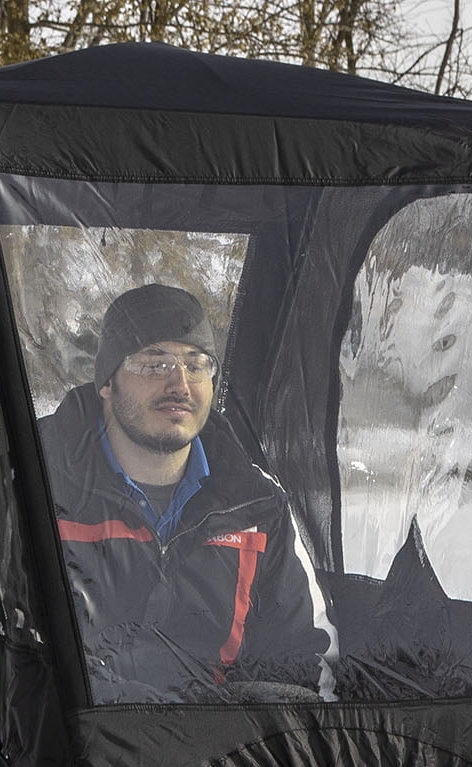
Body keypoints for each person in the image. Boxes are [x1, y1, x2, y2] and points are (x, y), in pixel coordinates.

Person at [37, 284, 331, 702]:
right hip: (73, 752)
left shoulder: (255, 507)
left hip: (217, 758)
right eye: (155, 364)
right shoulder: (34, 486)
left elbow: (304, 664)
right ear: (107, 382)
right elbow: (1, 663)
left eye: (197, 365)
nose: (180, 384)